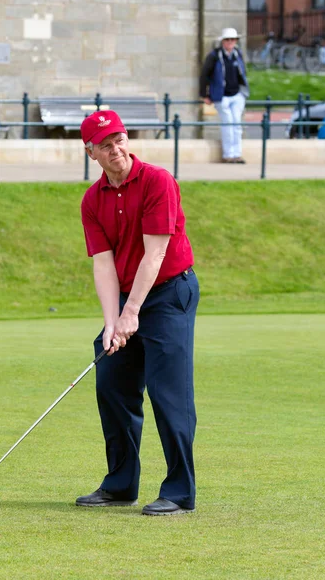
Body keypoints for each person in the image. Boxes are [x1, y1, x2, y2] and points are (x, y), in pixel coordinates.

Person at [77, 110, 199, 516]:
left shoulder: (157, 181)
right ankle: (120, 484)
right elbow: (103, 264)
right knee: (111, 381)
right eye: (106, 145)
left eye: (120, 139)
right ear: (91, 152)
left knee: (168, 393)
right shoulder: (92, 201)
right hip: (128, 293)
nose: (117, 150)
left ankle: (179, 492)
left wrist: (132, 314)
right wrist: (113, 322)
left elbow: (156, 253)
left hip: (168, 292)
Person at [199, 27, 249, 164]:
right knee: (227, 124)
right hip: (222, 96)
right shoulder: (214, 56)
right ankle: (228, 155)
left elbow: (242, 72)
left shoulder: (237, 54)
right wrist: (205, 94)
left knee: (237, 125)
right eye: (227, 40)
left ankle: (237, 154)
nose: (230, 42)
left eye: (233, 40)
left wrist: (243, 92)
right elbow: (204, 75)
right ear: (223, 41)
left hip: (236, 94)